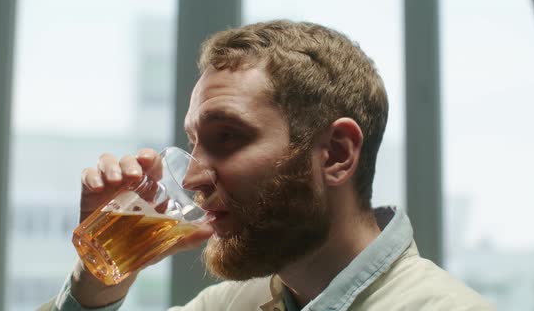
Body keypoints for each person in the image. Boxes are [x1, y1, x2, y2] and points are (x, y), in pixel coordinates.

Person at [39, 20, 495, 310]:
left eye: (228, 137)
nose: (193, 177)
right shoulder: (231, 304)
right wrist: (97, 277)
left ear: (336, 153)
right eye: (194, 142)